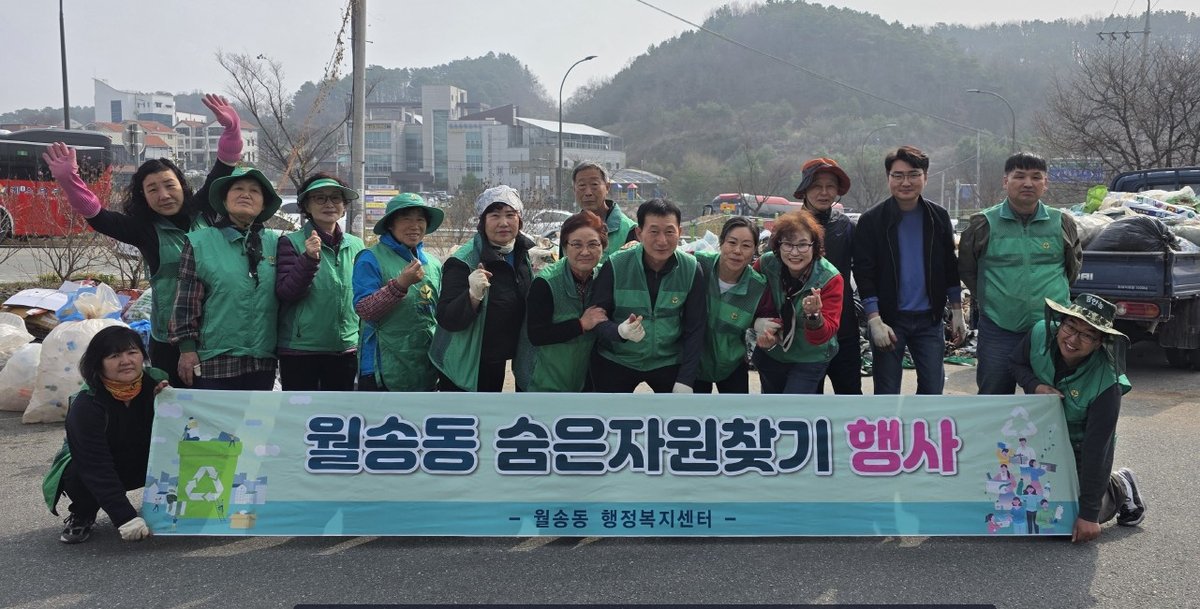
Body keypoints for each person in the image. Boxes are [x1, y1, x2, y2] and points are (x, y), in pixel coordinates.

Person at [41, 94, 242, 387]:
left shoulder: (204, 210)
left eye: (170, 185)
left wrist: (232, 129)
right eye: (153, 190)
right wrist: (70, 181)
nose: (164, 195)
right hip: (170, 340)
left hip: (217, 332)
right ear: (143, 197)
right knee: (172, 407)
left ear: (182, 186)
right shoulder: (144, 230)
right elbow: (98, 216)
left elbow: (225, 165)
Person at [1011, 293, 1147, 543]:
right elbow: (1017, 363)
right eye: (1070, 326)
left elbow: (1098, 449)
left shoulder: (1108, 383)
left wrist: (1089, 515)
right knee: (1021, 500)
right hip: (1040, 437)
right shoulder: (1040, 332)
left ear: (1099, 342)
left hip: (1080, 449)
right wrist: (1034, 385)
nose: (1072, 339)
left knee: (1063, 520)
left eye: (1086, 335)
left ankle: (1119, 486)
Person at [960, 151, 1082, 394]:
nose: (1028, 183)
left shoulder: (1061, 222)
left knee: (1050, 399)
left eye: (1036, 177)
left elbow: (1073, 268)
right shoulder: (983, 224)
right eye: (1019, 176)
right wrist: (992, 299)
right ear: (1006, 181)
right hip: (999, 329)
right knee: (994, 397)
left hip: (1051, 329)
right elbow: (968, 270)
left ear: (1045, 183)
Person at [852, 145, 966, 395]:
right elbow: (864, 272)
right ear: (888, 178)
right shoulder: (872, 221)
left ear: (925, 177)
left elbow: (949, 265)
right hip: (889, 320)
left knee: (932, 390)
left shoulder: (938, 217)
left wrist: (957, 312)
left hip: (930, 320)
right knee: (887, 392)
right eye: (898, 175)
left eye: (914, 175)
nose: (906, 182)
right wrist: (874, 320)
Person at [42, 326, 169, 544]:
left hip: (143, 460)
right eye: (114, 356)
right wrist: (125, 518)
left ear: (143, 355)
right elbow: (95, 466)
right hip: (101, 467)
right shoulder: (86, 405)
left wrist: (168, 402)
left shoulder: (159, 386)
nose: (126, 361)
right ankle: (83, 512)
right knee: (75, 473)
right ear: (98, 363)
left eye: (132, 352)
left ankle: (173, 508)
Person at [170, 167, 284, 390]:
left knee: (257, 413)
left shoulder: (276, 242)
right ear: (224, 199)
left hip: (262, 359)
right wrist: (187, 349)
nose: (246, 194)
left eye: (254, 191)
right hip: (214, 359)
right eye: (238, 189)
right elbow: (185, 302)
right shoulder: (199, 242)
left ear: (263, 204)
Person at [590, 199, 706, 393]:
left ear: (680, 232)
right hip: (618, 358)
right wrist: (619, 331)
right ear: (639, 233)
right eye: (653, 231)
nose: (662, 241)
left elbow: (696, 328)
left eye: (669, 232)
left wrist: (686, 379)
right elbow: (596, 318)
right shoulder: (616, 265)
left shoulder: (691, 269)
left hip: (668, 360)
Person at [430, 185, 534, 392]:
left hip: (497, 358)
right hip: (465, 362)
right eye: (494, 215)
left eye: (510, 215)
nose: (503, 223)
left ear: (519, 219)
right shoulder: (463, 262)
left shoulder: (521, 254)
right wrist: (472, 296)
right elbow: (447, 318)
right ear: (482, 221)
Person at [275, 174, 364, 391]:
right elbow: (287, 292)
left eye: (336, 198)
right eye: (320, 198)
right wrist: (308, 259)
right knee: (300, 410)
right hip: (301, 351)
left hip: (345, 348)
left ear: (344, 205)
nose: (329, 204)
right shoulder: (291, 242)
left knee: (339, 410)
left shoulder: (356, 245)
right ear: (307, 206)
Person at [353, 192, 445, 391]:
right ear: (390, 225)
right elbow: (365, 310)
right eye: (406, 219)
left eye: (420, 219)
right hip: (382, 366)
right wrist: (400, 284)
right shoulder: (370, 258)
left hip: (423, 364)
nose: (414, 226)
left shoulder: (433, 264)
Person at [750, 210, 844, 394]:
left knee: (794, 406)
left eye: (802, 245)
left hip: (810, 357)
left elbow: (822, 337)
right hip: (772, 353)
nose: (794, 252)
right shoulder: (766, 264)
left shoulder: (830, 278)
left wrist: (814, 316)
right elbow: (748, 301)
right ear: (778, 245)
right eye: (787, 244)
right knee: (772, 408)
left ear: (814, 246)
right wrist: (758, 324)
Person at [795, 157, 861, 394]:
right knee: (808, 402)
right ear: (805, 189)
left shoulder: (846, 227)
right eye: (816, 186)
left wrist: (868, 310)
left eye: (830, 186)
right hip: (802, 331)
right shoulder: (790, 227)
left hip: (844, 328)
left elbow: (864, 269)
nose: (824, 192)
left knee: (850, 396)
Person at [522, 211, 609, 392]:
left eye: (593, 244)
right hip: (542, 380)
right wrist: (581, 324)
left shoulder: (604, 277)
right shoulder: (546, 282)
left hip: (581, 379)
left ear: (603, 247)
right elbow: (537, 335)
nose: (585, 252)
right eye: (576, 244)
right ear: (564, 247)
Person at [693, 216, 766, 394]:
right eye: (732, 242)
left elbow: (764, 318)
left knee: (736, 411)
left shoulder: (758, 286)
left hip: (732, 366)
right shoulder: (699, 265)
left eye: (746, 245)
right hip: (693, 364)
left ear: (754, 250)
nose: (737, 251)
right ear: (721, 242)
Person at [572, 162, 638, 261]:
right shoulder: (570, 228)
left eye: (594, 184)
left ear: (607, 187)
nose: (588, 193)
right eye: (581, 185)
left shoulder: (629, 229)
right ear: (574, 189)